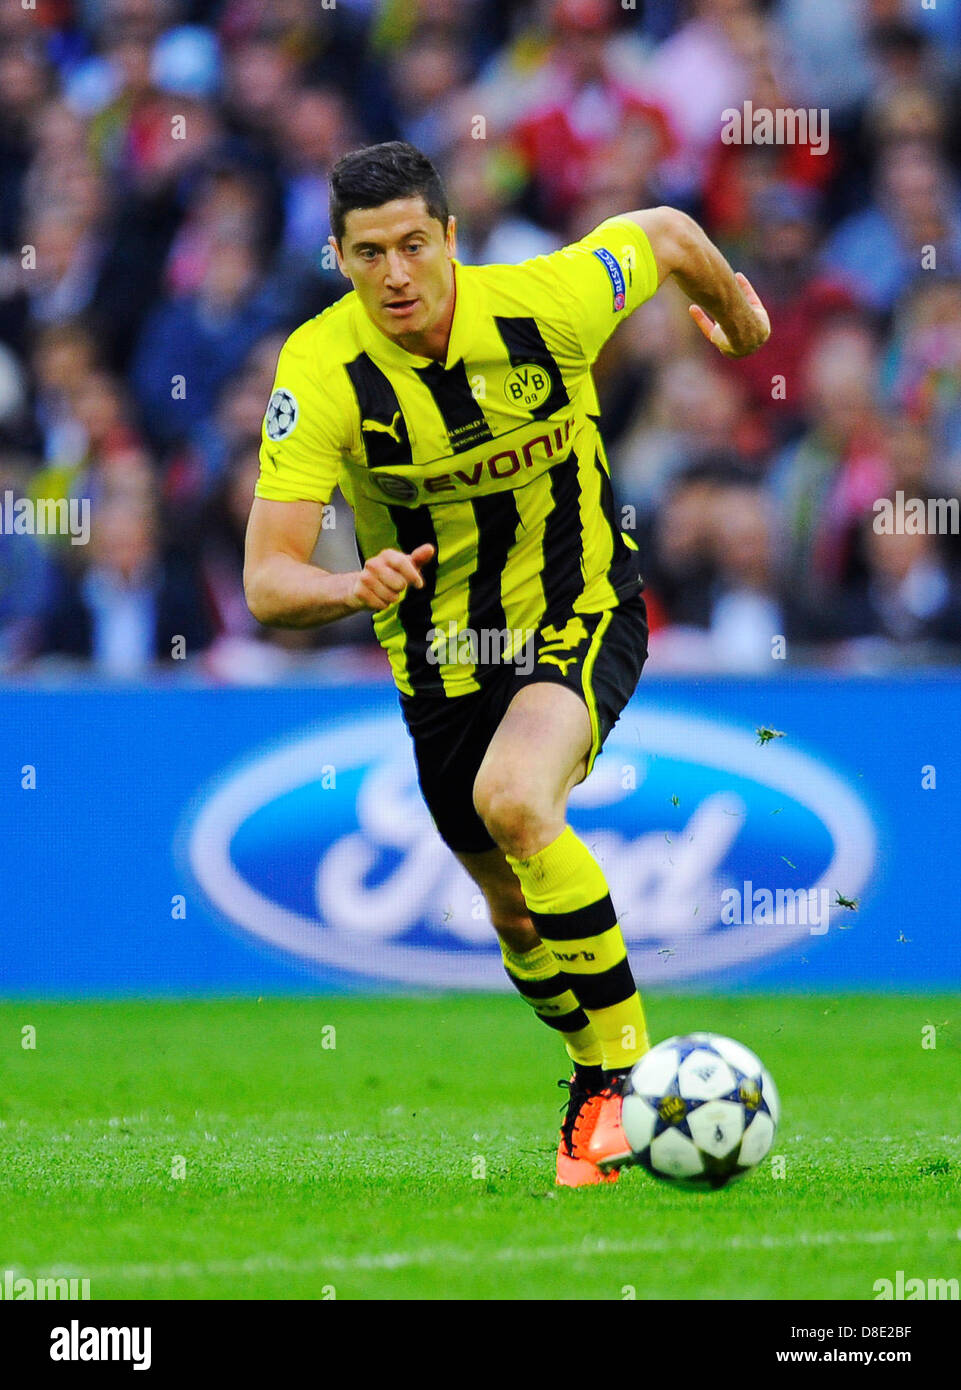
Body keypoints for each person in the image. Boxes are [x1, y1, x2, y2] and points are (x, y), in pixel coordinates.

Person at [243, 140, 770, 1186]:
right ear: (339, 259)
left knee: (516, 800)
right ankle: (587, 1058)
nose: (393, 275)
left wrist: (741, 312)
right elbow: (266, 580)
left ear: (448, 236)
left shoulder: (547, 303)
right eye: (365, 254)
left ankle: (618, 1085)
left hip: (580, 605)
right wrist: (351, 586)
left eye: (409, 245)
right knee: (515, 911)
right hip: (438, 656)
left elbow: (663, 234)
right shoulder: (320, 369)